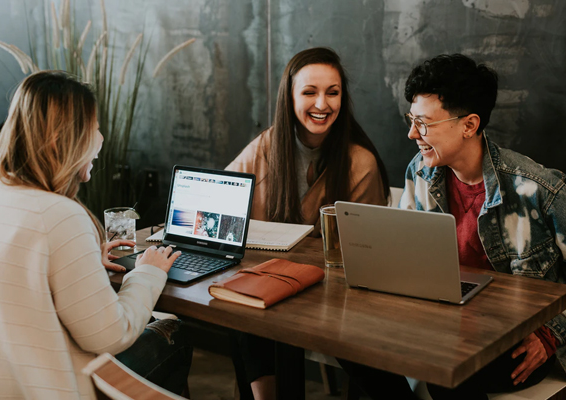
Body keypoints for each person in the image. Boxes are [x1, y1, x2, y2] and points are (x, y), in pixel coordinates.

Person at [343, 53, 566, 400]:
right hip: (442, 323)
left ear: (469, 125)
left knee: (447, 366)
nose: (411, 133)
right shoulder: (421, 171)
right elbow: (405, 260)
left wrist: (551, 333)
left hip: (514, 339)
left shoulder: (538, 189)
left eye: (424, 123)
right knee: (349, 342)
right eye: (411, 119)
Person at [0, 71, 192, 399]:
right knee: (174, 332)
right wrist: (147, 273)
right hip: (53, 389)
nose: (101, 139)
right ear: (64, 138)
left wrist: (83, 259)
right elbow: (111, 335)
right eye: (95, 127)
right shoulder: (61, 215)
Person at [226, 47, 390, 400]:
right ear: (290, 97)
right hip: (270, 285)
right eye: (309, 92)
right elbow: (224, 196)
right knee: (242, 310)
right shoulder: (268, 145)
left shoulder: (360, 163)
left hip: (334, 299)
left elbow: (366, 254)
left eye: (333, 92)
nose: (322, 103)